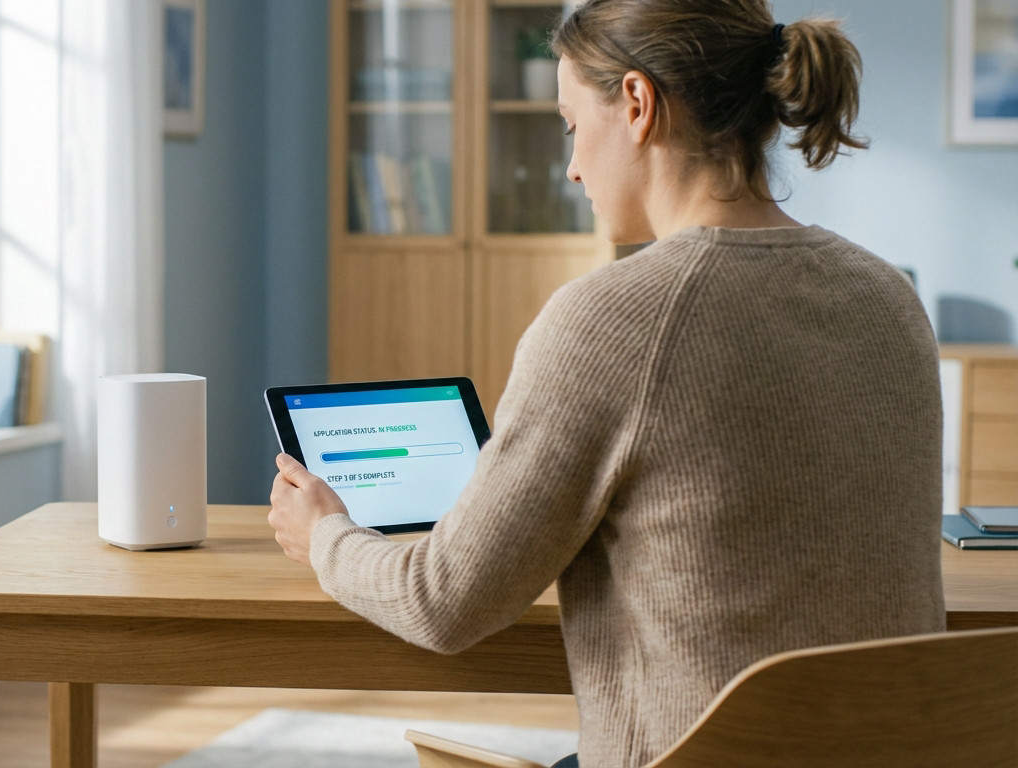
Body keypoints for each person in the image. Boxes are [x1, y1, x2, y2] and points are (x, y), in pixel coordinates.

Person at [268, 1, 946, 765]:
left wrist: (324, 534)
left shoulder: (612, 320)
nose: (572, 165)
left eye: (569, 124)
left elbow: (444, 601)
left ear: (636, 103)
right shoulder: (889, 297)